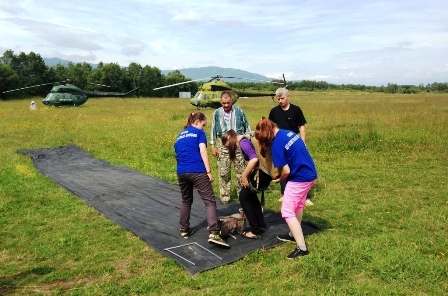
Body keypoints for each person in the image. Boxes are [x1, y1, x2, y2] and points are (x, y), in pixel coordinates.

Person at [255, 117, 317, 259]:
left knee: (287, 211)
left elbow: (286, 171)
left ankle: (302, 248)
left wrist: (279, 179)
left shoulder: (276, 144)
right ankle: (292, 234)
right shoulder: (287, 133)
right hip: (310, 173)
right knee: (298, 205)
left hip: (300, 178)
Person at [174, 112, 229, 247]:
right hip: (197, 170)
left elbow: (178, 154)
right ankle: (214, 233)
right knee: (210, 201)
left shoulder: (180, 135)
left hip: (181, 171)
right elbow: (203, 151)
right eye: (203, 125)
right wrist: (208, 171)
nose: (204, 128)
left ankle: (184, 229)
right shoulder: (199, 134)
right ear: (197, 121)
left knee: (186, 200)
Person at [221, 130, 270, 239]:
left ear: (230, 138)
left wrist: (244, 176)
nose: (230, 149)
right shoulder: (245, 140)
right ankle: (261, 225)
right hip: (265, 172)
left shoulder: (243, 143)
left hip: (263, 173)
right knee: (251, 196)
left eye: (229, 146)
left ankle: (255, 230)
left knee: (244, 197)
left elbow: (254, 159)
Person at [268, 88, 313, 206]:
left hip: (294, 143)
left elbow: (302, 126)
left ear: (288, 96)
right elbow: (270, 127)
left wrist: (302, 142)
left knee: (298, 167)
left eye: (282, 98)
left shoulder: (296, 110)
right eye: (278, 99)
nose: (280, 101)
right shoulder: (274, 112)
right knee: (283, 168)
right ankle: (285, 194)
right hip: (280, 144)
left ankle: (305, 196)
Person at [210, 91, 251, 204]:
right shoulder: (217, 113)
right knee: (224, 173)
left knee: (241, 171)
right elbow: (213, 129)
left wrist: (247, 139)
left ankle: (241, 195)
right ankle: (225, 197)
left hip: (238, 146)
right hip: (223, 147)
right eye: (224, 103)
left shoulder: (239, 111)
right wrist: (213, 146)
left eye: (228, 103)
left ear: (231, 101)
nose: (226, 105)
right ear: (220, 102)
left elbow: (246, 126)